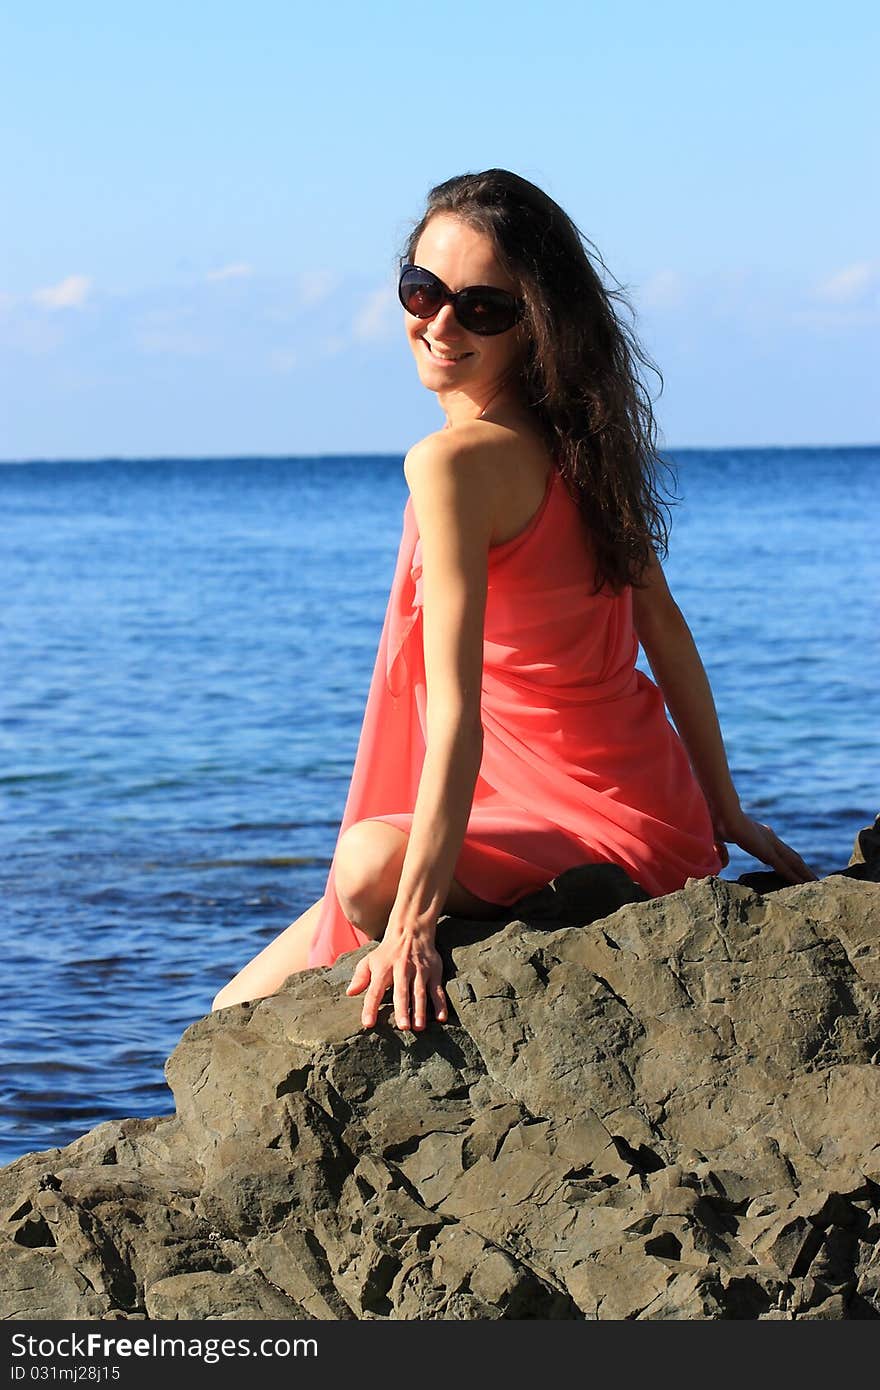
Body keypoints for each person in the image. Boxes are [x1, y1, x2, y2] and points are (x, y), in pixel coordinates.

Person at [212, 168, 816, 1030]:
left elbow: (461, 714)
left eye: (482, 307)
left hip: (596, 825)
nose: (441, 324)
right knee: (228, 1009)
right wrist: (717, 809)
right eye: (422, 292)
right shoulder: (580, 445)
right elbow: (668, 634)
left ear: (535, 324)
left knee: (365, 865)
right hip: (650, 816)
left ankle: (538, 898)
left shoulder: (452, 465)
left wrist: (411, 924)